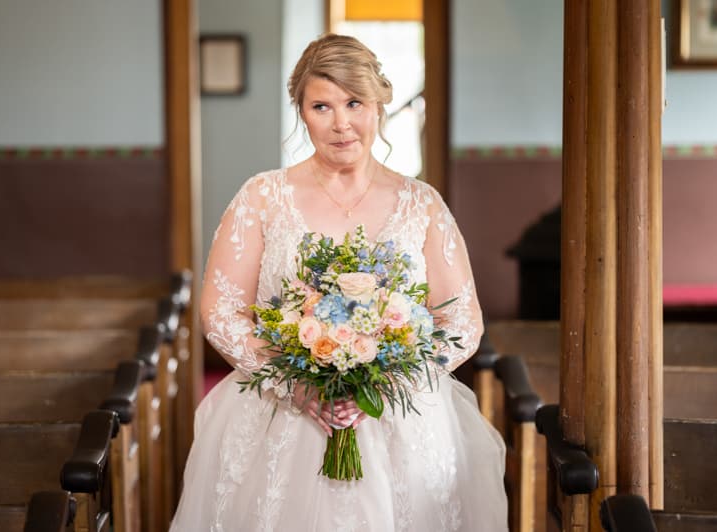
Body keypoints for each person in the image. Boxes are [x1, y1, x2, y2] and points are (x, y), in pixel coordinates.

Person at [170, 33, 508, 531]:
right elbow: (219, 311)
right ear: (301, 112)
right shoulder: (262, 197)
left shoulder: (422, 204)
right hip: (282, 417)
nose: (341, 123)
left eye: (354, 103)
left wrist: (387, 384)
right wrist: (295, 385)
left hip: (400, 421)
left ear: (379, 105)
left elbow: (462, 319)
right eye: (322, 106)